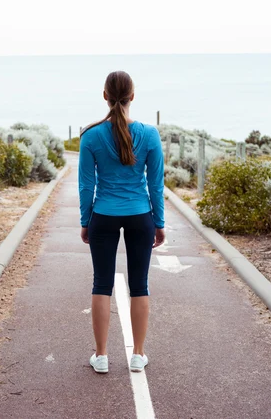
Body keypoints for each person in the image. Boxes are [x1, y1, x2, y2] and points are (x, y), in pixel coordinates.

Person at [78, 71, 165, 374]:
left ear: (105, 95)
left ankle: (101, 356)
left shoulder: (90, 136)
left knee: (102, 283)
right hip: (141, 216)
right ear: (133, 96)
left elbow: (86, 186)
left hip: (103, 215)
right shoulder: (150, 134)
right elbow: (156, 185)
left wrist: (86, 220)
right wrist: (159, 221)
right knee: (139, 285)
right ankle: (138, 356)